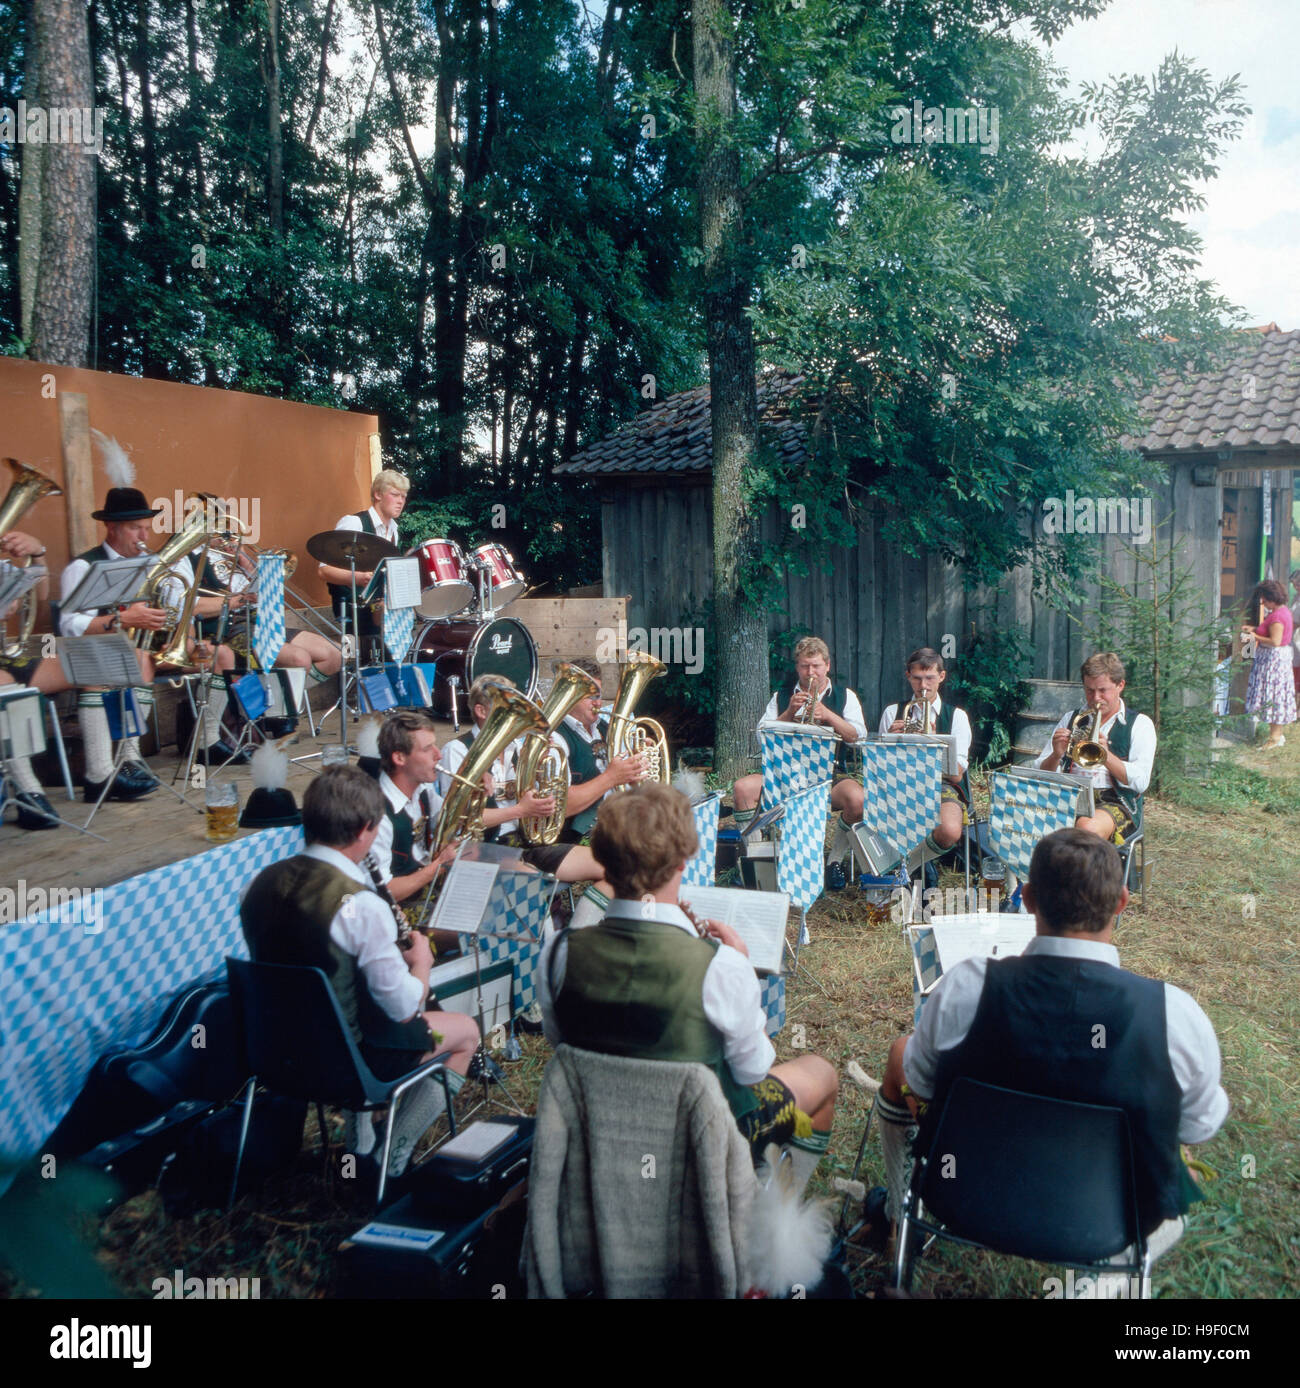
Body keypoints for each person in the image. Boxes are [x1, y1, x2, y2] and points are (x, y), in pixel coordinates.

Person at [867, 829, 1228, 1259]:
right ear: (1121, 903)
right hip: (1110, 1219)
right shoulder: (1176, 1015)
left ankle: (896, 1214)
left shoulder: (966, 986)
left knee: (901, 1052)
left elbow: (923, 1085)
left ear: (1028, 897)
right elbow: (1197, 1127)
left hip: (962, 1195)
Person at [537, 784, 839, 1190]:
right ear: (682, 860)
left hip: (602, 1129)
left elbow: (563, 1046)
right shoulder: (723, 965)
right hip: (702, 1138)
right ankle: (771, 1213)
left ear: (602, 864)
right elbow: (752, 1072)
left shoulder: (557, 953)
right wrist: (739, 971)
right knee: (821, 1074)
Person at [239, 767, 479, 1181]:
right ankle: (393, 1160)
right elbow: (404, 1007)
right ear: (366, 831)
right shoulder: (361, 906)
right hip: (348, 1067)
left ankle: (361, 1144)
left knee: (350, 1015)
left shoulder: (257, 885)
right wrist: (420, 962)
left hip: (272, 1057)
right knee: (465, 1032)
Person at [59, 486, 242, 798]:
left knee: (221, 655)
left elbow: (179, 606)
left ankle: (207, 742)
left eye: (145, 528)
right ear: (112, 527)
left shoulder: (149, 562)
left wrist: (180, 589)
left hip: (148, 649)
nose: (142, 536)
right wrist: (122, 620)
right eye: (134, 529)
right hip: (98, 653)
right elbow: (68, 624)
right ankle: (126, 759)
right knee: (140, 658)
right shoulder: (83, 566)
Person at [435, 676, 638, 928]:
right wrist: (520, 810)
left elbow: (542, 807)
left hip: (525, 844)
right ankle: (551, 945)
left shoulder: (516, 750)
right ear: (480, 710)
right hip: (481, 849)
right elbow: (457, 820)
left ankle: (577, 934)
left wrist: (545, 786)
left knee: (618, 867)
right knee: (534, 883)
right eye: (507, 711)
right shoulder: (457, 750)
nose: (516, 720)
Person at [834, 646, 972, 856]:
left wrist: (934, 742)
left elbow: (956, 774)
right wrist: (889, 741)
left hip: (941, 785)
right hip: (897, 784)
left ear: (942, 677)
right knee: (868, 808)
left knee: (950, 830)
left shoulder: (957, 717)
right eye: (917, 678)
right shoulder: (893, 712)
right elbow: (877, 768)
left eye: (930, 678)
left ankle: (909, 864)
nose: (923, 686)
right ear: (908, 676)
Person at [731, 636, 866, 828]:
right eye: (804, 666)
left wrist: (828, 715)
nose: (810, 672)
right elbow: (761, 738)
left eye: (816, 666)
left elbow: (858, 739)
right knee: (742, 788)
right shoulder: (782, 696)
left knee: (858, 799)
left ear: (827, 666)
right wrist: (789, 713)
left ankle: (835, 856)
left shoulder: (845, 696)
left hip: (830, 776)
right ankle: (753, 852)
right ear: (797, 667)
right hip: (783, 774)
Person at [1035, 652, 1155, 843]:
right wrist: (1056, 755)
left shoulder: (1140, 724)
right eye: (1089, 690)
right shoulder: (1071, 718)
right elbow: (1041, 774)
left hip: (1115, 800)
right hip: (1069, 795)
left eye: (1102, 690)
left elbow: (1140, 782)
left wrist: (1106, 756)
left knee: (1086, 829)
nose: (1096, 698)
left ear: (1120, 686)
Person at [317, 469, 409, 658]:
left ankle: (393, 669)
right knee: (391, 616)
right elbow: (324, 571)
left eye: (404, 496)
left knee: (406, 610)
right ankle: (381, 671)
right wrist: (360, 578)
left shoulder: (394, 530)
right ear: (377, 494)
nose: (401, 501)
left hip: (377, 603)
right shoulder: (354, 523)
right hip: (352, 603)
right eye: (395, 495)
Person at [1241, 579, 1296, 750]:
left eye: (1264, 598)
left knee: (1274, 696)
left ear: (1272, 597)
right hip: (1276, 659)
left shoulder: (1278, 616)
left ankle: (1274, 738)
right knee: (1275, 696)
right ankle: (1276, 735)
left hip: (1274, 660)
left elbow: (1275, 641)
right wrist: (1255, 629)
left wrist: (1254, 636)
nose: (1262, 601)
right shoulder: (1281, 611)